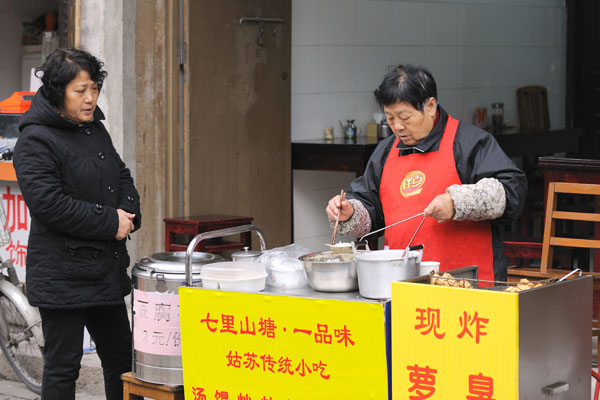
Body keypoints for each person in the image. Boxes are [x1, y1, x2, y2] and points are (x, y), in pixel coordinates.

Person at [13, 48, 141, 400]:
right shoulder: (35, 139)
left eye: (94, 88)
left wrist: (128, 214)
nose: (90, 98)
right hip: (62, 273)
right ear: (57, 91)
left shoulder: (93, 129)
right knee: (63, 364)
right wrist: (108, 222)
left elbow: (121, 175)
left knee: (122, 359)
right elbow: (49, 205)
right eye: (80, 90)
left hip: (102, 269)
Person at [326, 64, 527, 282]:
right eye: (390, 118)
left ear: (430, 106)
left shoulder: (470, 143)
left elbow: (511, 191)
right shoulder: (385, 152)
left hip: (469, 284)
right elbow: (370, 207)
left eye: (405, 117)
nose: (398, 127)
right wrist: (350, 213)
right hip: (404, 284)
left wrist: (456, 203)